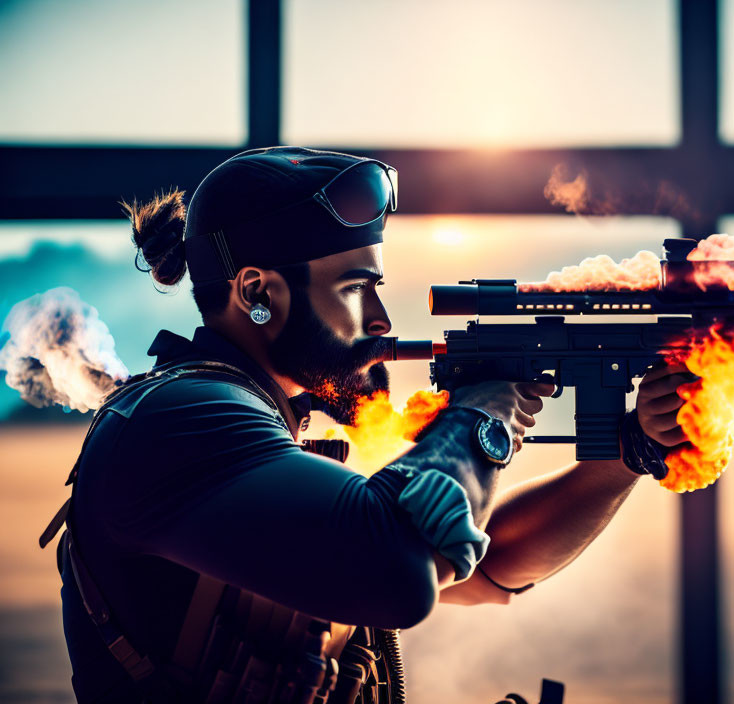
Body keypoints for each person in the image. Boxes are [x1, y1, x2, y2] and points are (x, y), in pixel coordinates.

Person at [46, 147, 691, 703]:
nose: (381, 320)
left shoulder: (260, 427)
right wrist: (483, 416)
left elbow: (493, 562)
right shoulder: (182, 421)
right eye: (357, 289)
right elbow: (397, 570)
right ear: (257, 293)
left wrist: (626, 454)